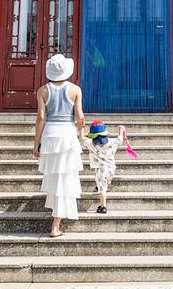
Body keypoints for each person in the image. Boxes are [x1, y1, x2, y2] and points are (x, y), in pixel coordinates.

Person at [33, 54, 85, 238]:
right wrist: (79, 134)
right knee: (65, 177)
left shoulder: (42, 90)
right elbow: (80, 117)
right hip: (67, 134)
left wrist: (36, 143)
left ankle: (56, 219)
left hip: (50, 134)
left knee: (55, 177)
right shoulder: (75, 90)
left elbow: (41, 118)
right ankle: (56, 224)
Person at [83, 121, 125, 213]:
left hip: (101, 170)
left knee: (102, 189)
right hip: (111, 168)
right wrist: (121, 130)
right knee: (106, 181)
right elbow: (120, 139)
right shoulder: (113, 142)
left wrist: (80, 128)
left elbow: (82, 139)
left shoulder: (91, 144)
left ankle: (103, 207)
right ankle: (104, 183)